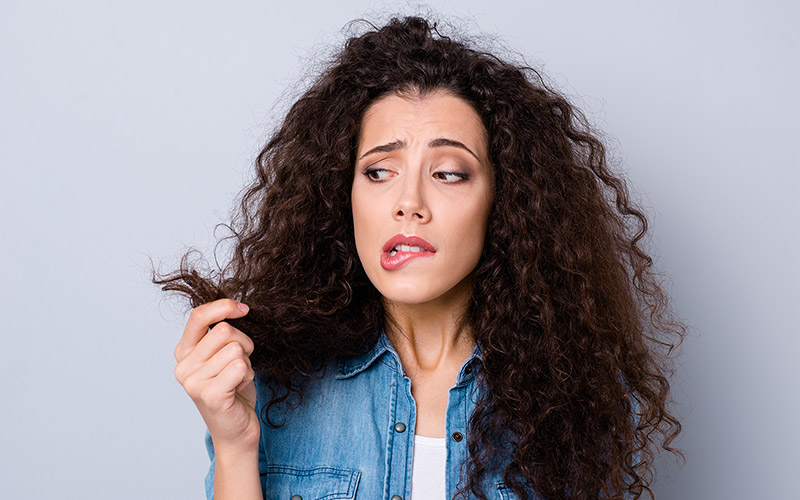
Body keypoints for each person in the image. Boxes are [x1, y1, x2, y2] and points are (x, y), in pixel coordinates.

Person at [154, 15, 685, 500]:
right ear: (342, 194)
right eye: (379, 172)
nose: (409, 203)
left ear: (505, 201)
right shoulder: (273, 382)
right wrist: (236, 444)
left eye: (448, 172)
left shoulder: (575, 394)